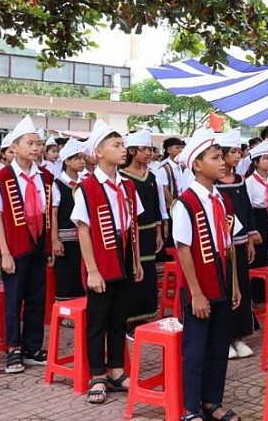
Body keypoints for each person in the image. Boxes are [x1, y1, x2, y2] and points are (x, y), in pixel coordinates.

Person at [172, 128, 242, 421]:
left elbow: (230, 244)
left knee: (218, 346)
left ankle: (213, 401)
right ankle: (191, 408)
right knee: (196, 349)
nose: (223, 162)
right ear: (197, 165)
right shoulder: (186, 202)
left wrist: (235, 284)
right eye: (215, 157)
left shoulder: (222, 200)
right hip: (199, 281)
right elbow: (183, 249)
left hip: (223, 277)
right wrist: (196, 293)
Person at [73, 119, 144, 404]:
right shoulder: (87, 187)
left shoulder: (127, 185)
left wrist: (136, 262)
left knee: (118, 318)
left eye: (123, 144)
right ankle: (97, 376)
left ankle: (116, 370)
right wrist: (91, 270)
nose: (123, 149)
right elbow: (83, 229)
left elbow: (133, 226)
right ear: (99, 152)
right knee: (97, 321)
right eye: (117, 145)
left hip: (124, 254)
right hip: (100, 258)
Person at [0, 116, 54, 374]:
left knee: (37, 297)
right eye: (31, 143)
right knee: (14, 299)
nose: (36, 148)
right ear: (14, 147)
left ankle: (32, 348)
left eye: (39, 143)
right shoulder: (3, 177)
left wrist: (50, 243)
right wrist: (4, 252)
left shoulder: (45, 176)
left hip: (38, 244)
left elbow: (50, 212)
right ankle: (14, 348)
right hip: (14, 247)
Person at [214, 129, 258, 359]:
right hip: (221, 246)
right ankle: (225, 338)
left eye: (239, 151)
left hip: (240, 243)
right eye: (233, 152)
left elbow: (247, 210)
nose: (238, 155)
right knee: (225, 288)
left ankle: (239, 336)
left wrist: (250, 238)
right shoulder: (213, 184)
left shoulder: (240, 180)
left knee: (241, 286)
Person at [120, 129, 167, 330]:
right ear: (131, 151)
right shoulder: (122, 177)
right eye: (144, 149)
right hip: (131, 231)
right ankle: (129, 316)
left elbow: (156, 205)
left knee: (148, 272)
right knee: (132, 270)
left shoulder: (151, 176)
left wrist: (159, 230)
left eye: (150, 149)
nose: (148, 153)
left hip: (149, 230)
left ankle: (145, 313)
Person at [50, 139, 87, 302]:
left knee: (82, 273)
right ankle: (66, 310)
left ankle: (82, 308)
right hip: (65, 237)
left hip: (84, 237)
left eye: (83, 158)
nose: (82, 161)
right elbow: (53, 214)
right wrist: (55, 239)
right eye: (78, 158)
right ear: (67, 161)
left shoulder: (85, 183)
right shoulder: (57, 184)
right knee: (66, 274)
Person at [244, 140, 268, 302]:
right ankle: (259, 294)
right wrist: (251, 231)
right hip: (258, 217)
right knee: (260, 255)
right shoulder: (250, 182)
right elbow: (247, 207)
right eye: (265, 158)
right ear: (256, 162)